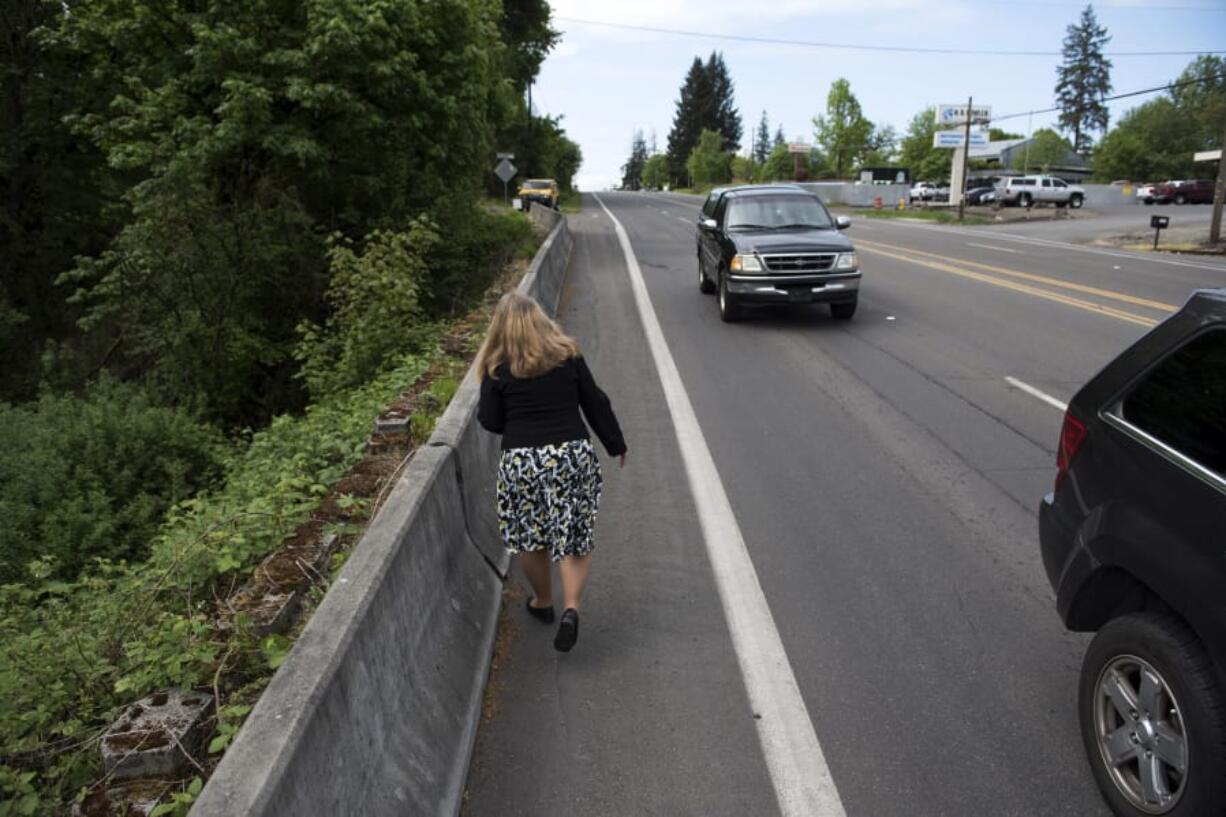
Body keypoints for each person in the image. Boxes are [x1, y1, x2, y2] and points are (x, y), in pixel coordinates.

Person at [476, 293, 627, 653]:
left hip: (522, 461)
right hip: (570, 456)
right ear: (541, 320)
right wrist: (615, 443)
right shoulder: (566, 355)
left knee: (531, 536)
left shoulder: (496, 367)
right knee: (573, 532)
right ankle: (572, 608)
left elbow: (490, 420)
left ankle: (543, 602)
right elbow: (595, 401)